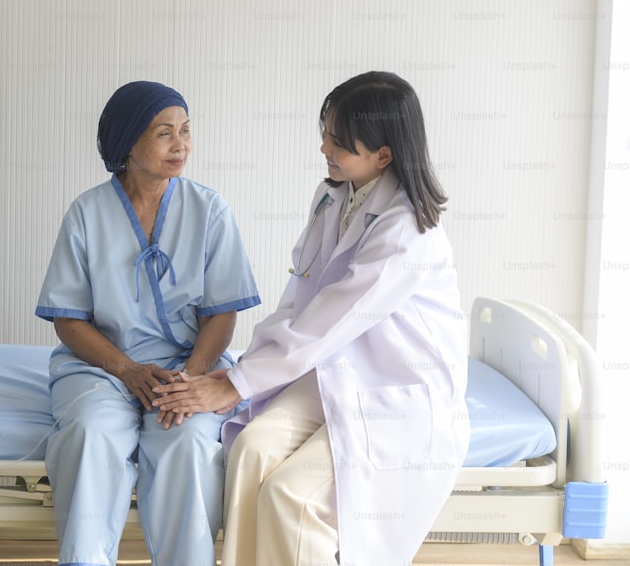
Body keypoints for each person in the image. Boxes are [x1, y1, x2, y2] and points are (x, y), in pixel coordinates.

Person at [153, 71, 470, 566]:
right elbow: (299, 305)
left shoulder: (407, 230)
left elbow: (330, 321)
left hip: (396, 391)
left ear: (383, 155)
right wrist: (240, 375)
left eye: (338, 141)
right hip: (337, 372)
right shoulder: (333, 198)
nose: (323, 146)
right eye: (326, 130)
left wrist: (236, 385)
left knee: (291, 500)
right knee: (252, 450)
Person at [35, 80, 261, 566]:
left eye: (185, 130)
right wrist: (127, 371)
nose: (181, 145)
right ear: (128, 143)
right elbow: (69, 321)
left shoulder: (210, 210)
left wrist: (193, 378)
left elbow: (223, 311)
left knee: (191, 441)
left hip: (189, 365)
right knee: (90, 433)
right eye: (164, 133)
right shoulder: (86, 215)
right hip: (101, 368)